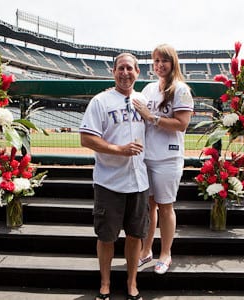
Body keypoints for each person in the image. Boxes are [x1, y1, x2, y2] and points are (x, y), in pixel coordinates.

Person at [79, 52, 149, 300]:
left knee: (135, 235)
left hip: (139, 181)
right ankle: (105, 284)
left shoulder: (143, 101)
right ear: (113, 72)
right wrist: (119, 149)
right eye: (121, 68)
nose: (125, 73)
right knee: (107, 236)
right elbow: (86, 138)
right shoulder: (101, 101)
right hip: (109, 181)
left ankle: (132, 283)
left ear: (137, 72)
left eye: (130, 68)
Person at [133, 44, 194, 275]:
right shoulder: (148, 88)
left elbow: (182, 123)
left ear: (173, 63)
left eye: (164, 61)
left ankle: (165, 253)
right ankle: (146, 250)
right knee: (149, 207)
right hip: (146, 156)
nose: (159, 65)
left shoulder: (180, 89)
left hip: (168, 157)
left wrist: (152, 117)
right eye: (156, 61)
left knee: (166, 206)